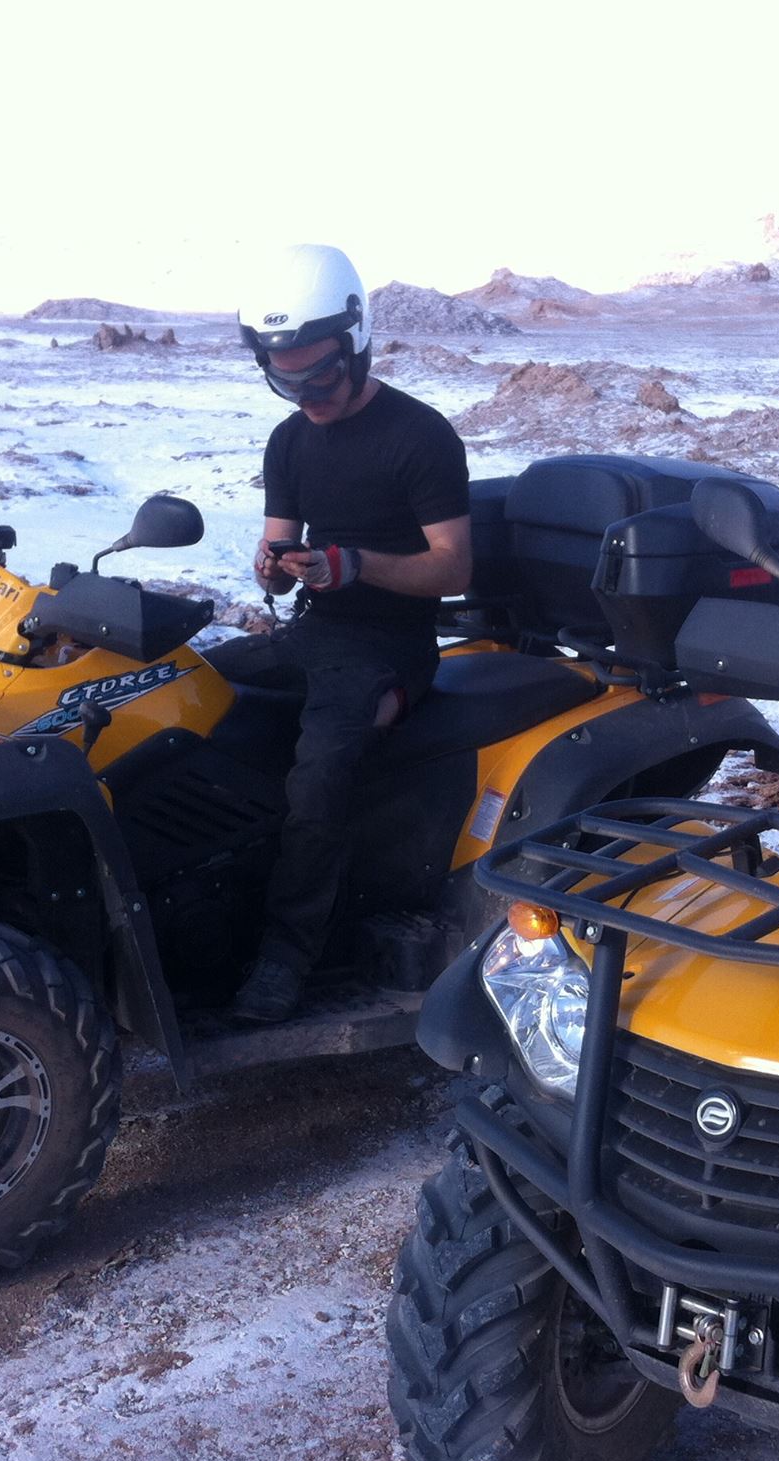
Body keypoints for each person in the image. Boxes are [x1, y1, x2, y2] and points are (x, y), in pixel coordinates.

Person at [211, 243, 472, 1022]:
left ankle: (286, 959)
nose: (305, 393)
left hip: (391, 647)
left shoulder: (421, 437)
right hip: (314, 629)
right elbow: (281, 548)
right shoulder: (289, 440)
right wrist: (273, 569)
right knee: (193, 705)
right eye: (283, 377)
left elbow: (454, 567)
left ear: (358, 341)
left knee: (319, 778)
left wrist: (354, 564)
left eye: (319, 374)